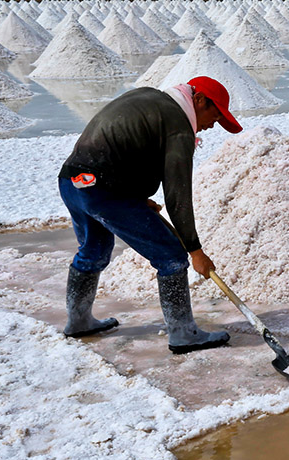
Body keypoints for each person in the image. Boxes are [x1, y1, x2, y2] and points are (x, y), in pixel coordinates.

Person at [58, 76, 241, 354]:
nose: (210, 125)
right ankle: (183, 334)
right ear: (200, 100)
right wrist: (195, 251)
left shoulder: (149, 98)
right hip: (104, 190)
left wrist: (136, 197)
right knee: (171, 255)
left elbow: (122, 146)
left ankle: (79, 321)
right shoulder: (178, 127)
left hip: (74, 181)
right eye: (213, 117)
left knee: (93, 250)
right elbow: (178, 195)